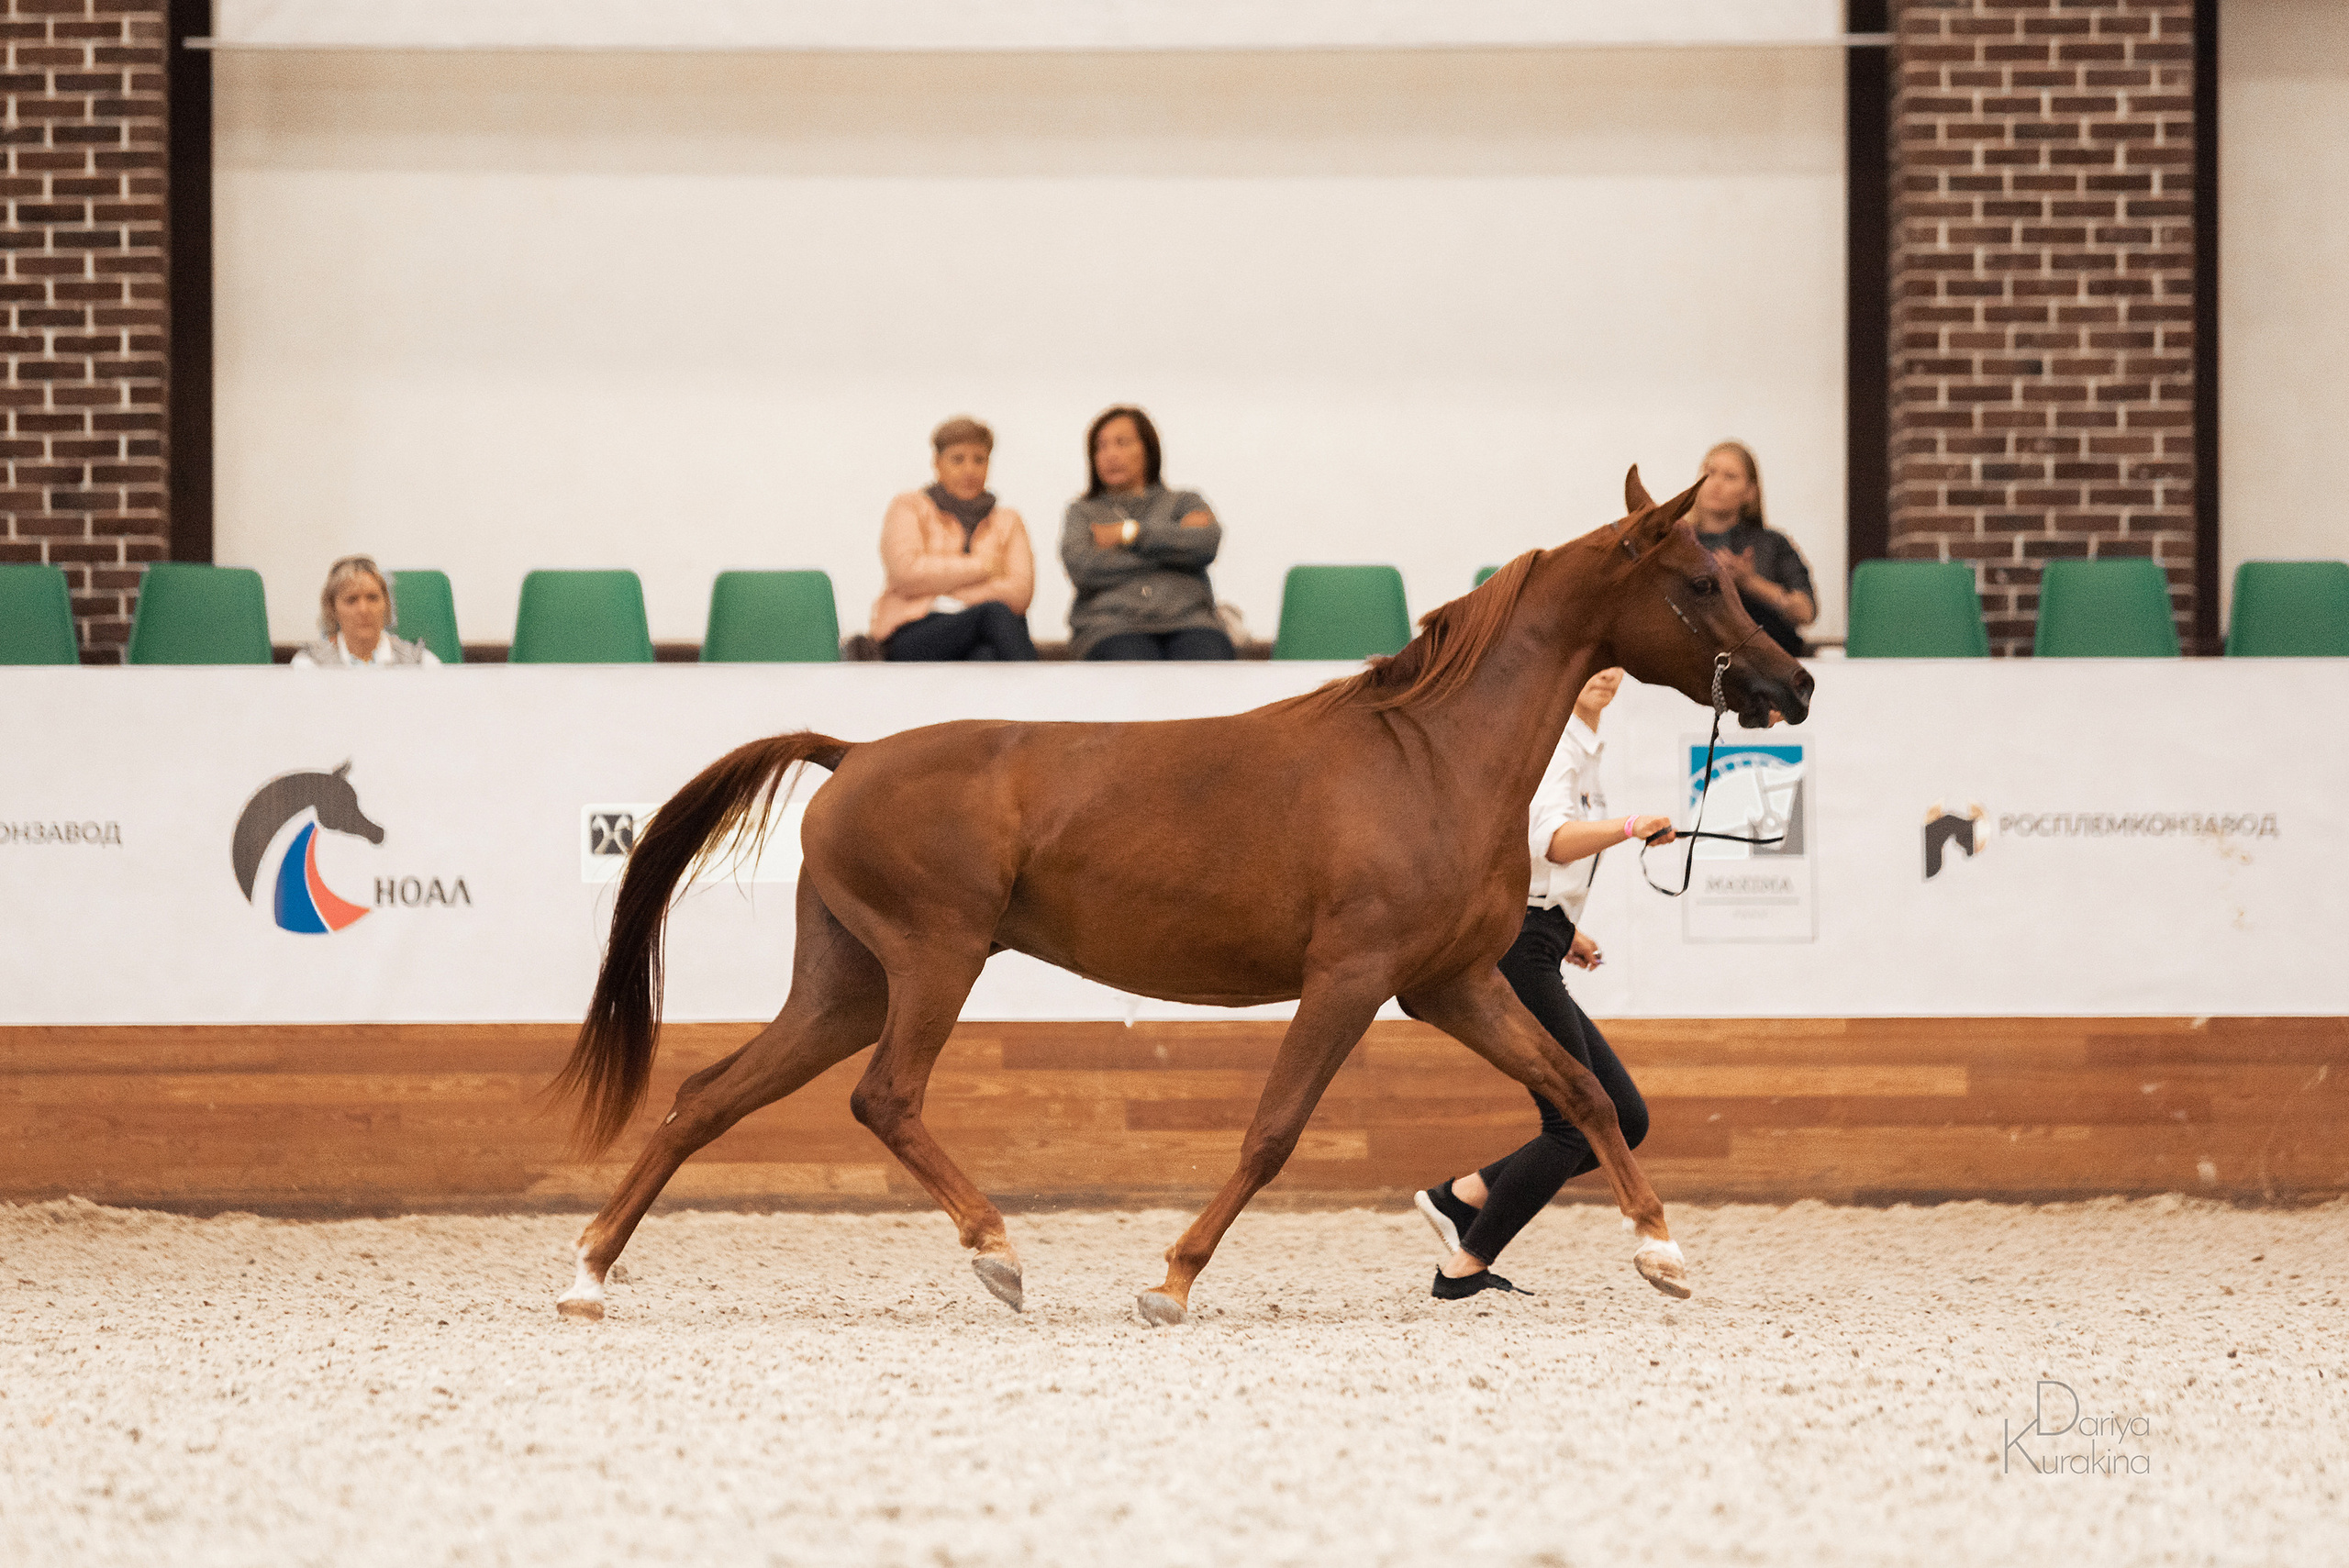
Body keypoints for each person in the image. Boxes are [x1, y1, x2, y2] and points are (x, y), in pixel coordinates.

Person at [1412, 666, 1674, 1299]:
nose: (1607, 673)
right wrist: (1631, 826)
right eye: (1594, 663)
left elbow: (1533, 857)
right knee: (1572, 1121)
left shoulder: (1583, 747)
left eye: (1615, 663)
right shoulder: (1557, 743)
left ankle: (1461, 1197)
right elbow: (1551, 841)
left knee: (1626, 1117)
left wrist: (1563, 926)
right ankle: (1465, 1265)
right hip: (1519, 946)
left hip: (1540, 935)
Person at [1060, 406, 1235, 661]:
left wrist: (1129, 533)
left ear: (1148, 449)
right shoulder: (1083, 512)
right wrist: (1173, 551)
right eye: (1101, 447)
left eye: (1122, 443)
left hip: (1190, 622)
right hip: (1110, 627)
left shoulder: (1185, 502)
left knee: (1209, 661)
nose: (1110, 455)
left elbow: (1204, 544)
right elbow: (1083, 568)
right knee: (1133, 665)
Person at [869, 417, 1039, 662]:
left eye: (979, 460)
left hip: (981, 632)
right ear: (937, 463)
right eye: (958, 459)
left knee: (985, 656)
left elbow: (1020, 593)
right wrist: (984, 567)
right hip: (916, 630)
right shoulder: (908, 507)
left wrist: (952, 596)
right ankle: (1044, 686)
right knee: (994, 613)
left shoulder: (1008, 520)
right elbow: (907, 573)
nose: (969, 470)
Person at [1691, 440, 1816, 659]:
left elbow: (1806, 612)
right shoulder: (1677, 543)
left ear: (1750, 492)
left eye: (1730, 477)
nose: (1715, 483)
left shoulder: (1772, 544)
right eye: (1709, 473)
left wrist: (1750, 583)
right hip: (1697, 660)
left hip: (1768, 660)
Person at [289, 555, 439, 667]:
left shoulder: (420, 663)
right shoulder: (310, 664)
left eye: (373, 598)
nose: (363, 610)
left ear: (386, 604)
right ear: (332, 609)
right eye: (351, 600)